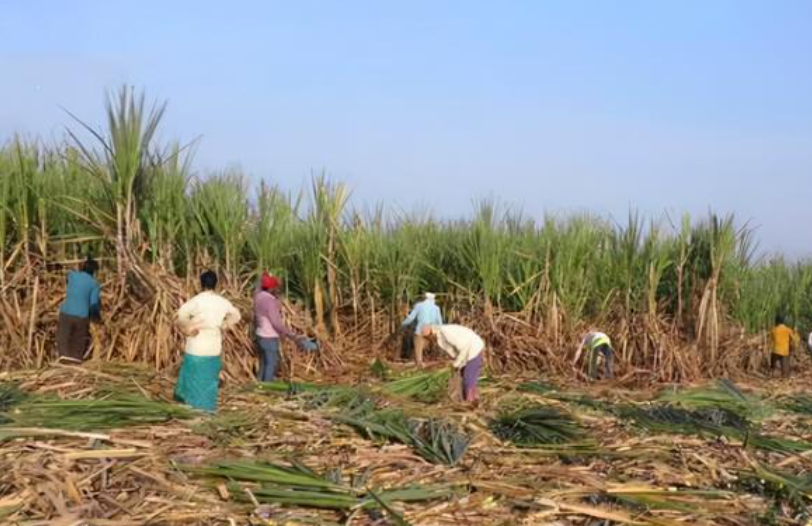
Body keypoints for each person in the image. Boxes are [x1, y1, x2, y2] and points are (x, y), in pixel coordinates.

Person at [174, 270, 241, 412]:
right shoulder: (222, 302)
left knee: (194, 376)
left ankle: (191, 407)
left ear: (201, 283)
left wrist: (188, 327)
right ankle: (207, 408)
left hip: (196, 344)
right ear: (216, 284)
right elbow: (236, 315)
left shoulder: (196, 300)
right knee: (209, 379)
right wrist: (224, 326)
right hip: (213, 345)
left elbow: (181, 314)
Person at [253, 272, 304, 382]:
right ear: (271, 288)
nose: (277, 290)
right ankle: (267, 387)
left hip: (260, 335)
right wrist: (291, 334)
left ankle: (259, 385)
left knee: (264, 362)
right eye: (275, 287)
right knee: (271, 363)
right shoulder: (270, 301)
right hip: (269, 336)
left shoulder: (258, 297)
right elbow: (276, 323)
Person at [421, 324, 485, 403]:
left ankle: (470, 402)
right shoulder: (440, 337)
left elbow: (464, 348)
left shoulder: (447, 333)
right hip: (467, 351)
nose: (429, 340)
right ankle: (473, 398)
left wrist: (456, 364)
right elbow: (454, 351)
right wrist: (455, 362)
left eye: (428, 338)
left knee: (468, 378)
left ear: (432, 333)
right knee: (465, 376)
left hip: (473, 348)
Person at [56, 257, 101, 363]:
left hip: (66, 313)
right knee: (78, 340)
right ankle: (75, 361)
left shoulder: (73, 275)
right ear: (94, 271)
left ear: (83, 267)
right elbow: (94, 304)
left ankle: (63, 357)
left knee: (64, 336)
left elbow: (64, 273)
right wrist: (97, 317)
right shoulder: (94, 284)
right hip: (82, 316)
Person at [401, 292, 443, 367]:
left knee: (418, 345)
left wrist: (403, 324)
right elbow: (440, 322)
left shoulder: (419, 305)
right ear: (433, 299)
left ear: (425, 298)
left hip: (421, 329)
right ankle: (424, 360)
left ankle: (419, 363)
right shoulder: (437, 308)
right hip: (431, 330)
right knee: (426, 344)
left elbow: (411, 318)